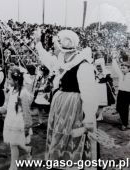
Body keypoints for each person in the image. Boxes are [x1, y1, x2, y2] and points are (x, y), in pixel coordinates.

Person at [35, 29, 98, 169]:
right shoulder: (63, 60)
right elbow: (49, 61)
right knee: (59, 135)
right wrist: (38, 44)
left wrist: (88, 117)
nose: (55, 47)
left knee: (72, 137)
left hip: (74, 106)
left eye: (58, 43)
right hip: (61, 105)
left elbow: (89, 93)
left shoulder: (83, 64)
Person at [0, 67, 32, 170]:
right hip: (10, 121)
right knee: (14, 143)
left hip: (19, 122)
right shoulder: (10, 91)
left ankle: (13, 166)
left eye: (9, 79)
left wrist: (27, 127)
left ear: (16, 80)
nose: (7, 80)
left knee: (13, 144)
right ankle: (28, 150)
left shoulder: (23, 93)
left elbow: (27, 112)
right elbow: (6, 107)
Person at [112, 52, 130, 131]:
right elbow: (116, 68)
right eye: (122, 68)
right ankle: (123, 120)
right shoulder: (121, 75)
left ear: (129, 69)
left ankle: (124, 124)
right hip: (121, 93)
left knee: (125, 109)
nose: (122, 69)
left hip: (128, 93)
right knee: (120, 108)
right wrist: (113, 59)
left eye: (124, 68)